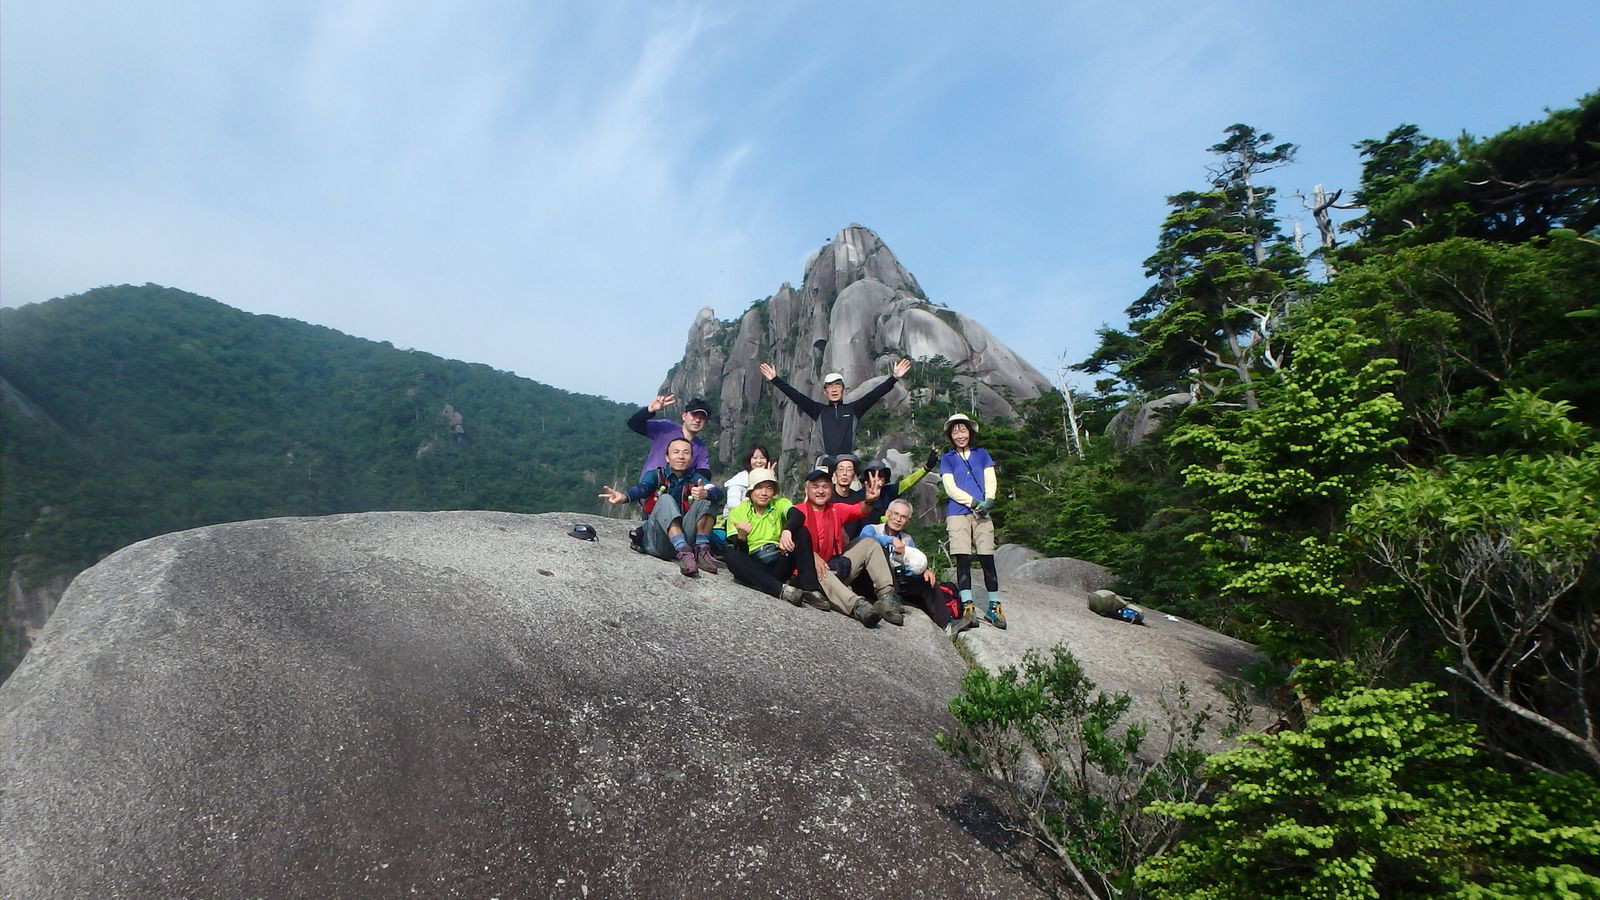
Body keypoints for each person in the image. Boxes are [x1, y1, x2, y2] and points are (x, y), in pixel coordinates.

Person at [779, 463, 902, 628]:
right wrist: (812, 556)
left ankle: (887, 597)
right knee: (819, 567)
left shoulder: (836, 510)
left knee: (869, 544)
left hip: (833, 565)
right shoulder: (797, 512)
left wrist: (870, 500)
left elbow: (860, 510)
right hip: (807, 574)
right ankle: (857, 605)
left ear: (831, 489)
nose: (820, 491)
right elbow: (792, 542)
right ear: (806, 489)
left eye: (825, 486)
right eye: (815, 487)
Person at [599, 438, 724, 576]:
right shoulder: (656, 476)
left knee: (709, 498)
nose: (681, 456)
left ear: (691, 457)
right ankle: (684, 552)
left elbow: (718, 493)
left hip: (686, 538)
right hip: (659, 541)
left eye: (686, 453)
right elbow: (642, 489)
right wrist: (625, 497)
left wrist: (706, 493)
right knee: (665, 499)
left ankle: (701, 551)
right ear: (667, 457)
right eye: (676, 452)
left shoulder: (697, 479)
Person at [861, 499, 973, 637]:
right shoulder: (872, 529)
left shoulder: (907, 539)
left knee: (927, 581)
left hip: (897, 582)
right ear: (888, 513)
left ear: (907, 521)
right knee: (880, 550)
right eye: (895, 514)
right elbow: (865, 541)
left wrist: (923, 571)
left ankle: (947, 625)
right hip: (872, 582)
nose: (898, 519)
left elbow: (911, 566)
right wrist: (891, 540)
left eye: (903, 517)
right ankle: (888, 600)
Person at [758, 358, 913, 458]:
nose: (834, 389)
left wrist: (894, 378)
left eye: (837, 386)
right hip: (827, 463)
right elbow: (796, 396)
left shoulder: (854, 409)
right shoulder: (819, 411)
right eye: (830, 387)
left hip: (847, 463)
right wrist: (775, 379)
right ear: (824, 392)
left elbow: (875, 394)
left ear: (843, 390)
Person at [939, 413, 1006, 629]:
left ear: (970, 432)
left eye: (963, 430)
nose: (960, 434)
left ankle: (994, 606)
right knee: (963, 559)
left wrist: (989, 501)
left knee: (987, 558)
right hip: (958, 512)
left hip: (982, 514)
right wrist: (974, 502)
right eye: (955, 431)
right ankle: (968, 605)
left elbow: (990, 480)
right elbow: (950, 488)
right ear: (950, 435)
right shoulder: (948, 458)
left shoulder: (982, 454)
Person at [723, 467, 824, 608]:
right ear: (751, 491)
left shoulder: (779, 504)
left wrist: (787, 530)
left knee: (801, 531)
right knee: (732, 556)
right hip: (755, 563)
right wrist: (742, 537)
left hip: (779, 559)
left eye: (769, 488)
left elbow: (798, 515)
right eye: (759, 488)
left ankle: (810, 588)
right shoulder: (738, 513)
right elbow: (740, 551)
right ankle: (782, 590)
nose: (764, 493)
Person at [627, 394, 711, 479]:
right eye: (694, 415)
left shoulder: (701, 447)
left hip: (675, 490)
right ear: (684, 416)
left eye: (702, 418)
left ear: (706, 423)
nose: (697, 420)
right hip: (649, 487)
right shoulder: (666, 427)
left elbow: (704, 471)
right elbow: (633, 424)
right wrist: (649, 410)